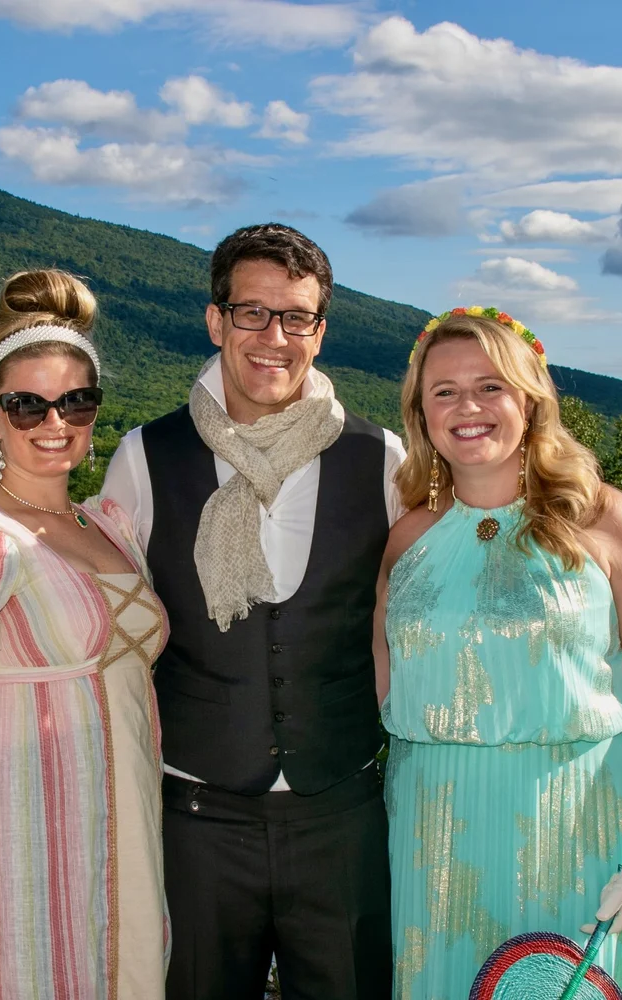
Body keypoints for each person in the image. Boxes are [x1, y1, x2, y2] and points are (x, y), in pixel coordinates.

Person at [101, 223, 405, 999]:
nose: (275, 336)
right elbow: (108, 623)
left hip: (342, 815)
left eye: (296, 316)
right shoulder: (145, 457)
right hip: (197, 818)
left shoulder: (383, 461)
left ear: (320, 331)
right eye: (252, 313)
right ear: (216, 320)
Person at [377, 308, 622, 1000]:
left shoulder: (607, 522)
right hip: (434, 839)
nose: (468, 407)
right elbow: (385, 692)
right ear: (420, 413)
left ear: (530, 400)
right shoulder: (407, 541)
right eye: (444, 391)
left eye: (490, 386)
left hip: (581, 834)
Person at [0, 269, 168, 1000]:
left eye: (76, 402)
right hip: (26, 842)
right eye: (28, 406)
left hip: (129, 846)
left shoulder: (109, 524)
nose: (56, 424)